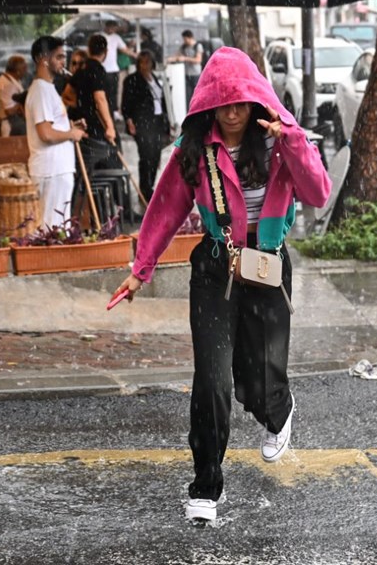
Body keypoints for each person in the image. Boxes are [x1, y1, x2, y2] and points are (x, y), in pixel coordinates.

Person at [112, 47, 332, 524]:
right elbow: (165, 207)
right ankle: (206, 487)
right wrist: (140, 269)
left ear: (255, 100)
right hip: (215, 267)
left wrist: (291, 138)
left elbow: (318, 192)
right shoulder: (194, 149)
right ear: (209, 103)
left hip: (268, 268)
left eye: (241, 102)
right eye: (223, 103)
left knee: (259, 385)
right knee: (212, 379)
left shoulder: (278, 141)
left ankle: (278, 409)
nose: (232, 113)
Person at [24, 35, 86, 228]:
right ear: (43, 59)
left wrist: (71, 128)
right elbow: (45, 133)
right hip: (51, 170)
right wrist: (71, 134)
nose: (63, 62)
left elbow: (51, 128)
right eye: (59, 57)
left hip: (57, 169)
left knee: (57, 228)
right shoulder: (41, 90)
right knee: (52, 229)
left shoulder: (47, 89)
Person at [121, 51, 170, 202]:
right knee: (146, 155)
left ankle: (150, 185)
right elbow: (126, 103)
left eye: (148, 62)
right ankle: (145, 188)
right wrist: (129, 120)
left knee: (156, 155)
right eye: (142, 62)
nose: (145, 65)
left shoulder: (154, 78)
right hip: (142, 122)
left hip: (157, 121)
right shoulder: (132, 80)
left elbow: (162, 100)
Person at [69, 35, 117, 147]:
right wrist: (109, 126)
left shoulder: (82, 68)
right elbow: (100, 99)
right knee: (108, 159)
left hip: (84, 123)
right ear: (106, 51)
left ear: (89, 49)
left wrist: (81, 104)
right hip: (97, 124)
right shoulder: (97, 70)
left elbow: (67, 93)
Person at [101, 20, 137, 115]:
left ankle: (113, 110)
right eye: (111, 27)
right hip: (102, 68)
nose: (112, 29)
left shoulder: (116, 38)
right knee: (103, 91)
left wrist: (135, 55)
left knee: (113, 91)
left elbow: (124, 49)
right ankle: (104, 110)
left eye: (114, 28)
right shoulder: (100, 36)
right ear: (106, 27)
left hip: (113, 68)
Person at [0, 55, 28, 137]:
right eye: (24, 69)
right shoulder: (7, 85)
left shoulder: (12, 81)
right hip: (12, 126)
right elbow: (9, 111)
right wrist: (21, 99)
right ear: (18, 71)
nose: (26, 72)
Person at [168, 30, 205, 100]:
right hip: (186, 74)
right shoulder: (184, 47)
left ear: (190, 38)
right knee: (188, 95)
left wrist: (185, 59)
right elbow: (177, 55)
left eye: (185, 39)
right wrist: (172, 59)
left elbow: (198, 60)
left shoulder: (197, 46)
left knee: (196, 95)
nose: (184, 41)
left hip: (195, 74)